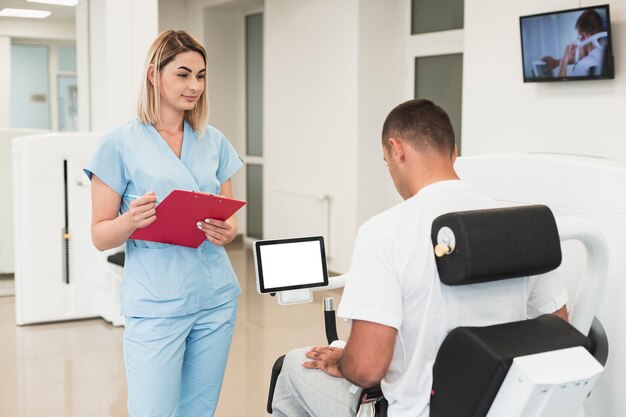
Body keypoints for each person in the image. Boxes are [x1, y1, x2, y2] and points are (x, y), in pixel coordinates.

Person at [271, 99, 568, 417]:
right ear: (453, 152)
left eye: (386, 162)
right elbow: (558, 326)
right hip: (504, 405)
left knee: (290, 370)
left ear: (395, 149)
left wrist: (341, 360)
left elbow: (367, 369)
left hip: (419, 411)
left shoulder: (384, 232)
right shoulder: (520, 224)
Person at [84, 30, 243, 417]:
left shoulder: (214, 141)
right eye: (184, 74)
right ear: (154, 74)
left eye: (201, 76)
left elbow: (230, 222)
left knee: (199, 410)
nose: (194, 86)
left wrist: (227, 231)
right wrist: (131, 220)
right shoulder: (119, 143)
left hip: (215, 299)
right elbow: (99, 236)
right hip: (156, 304)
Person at [542, 9, 606, 77]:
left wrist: (564, 60)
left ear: (585, 36)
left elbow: (562, 87)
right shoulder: (605, 58)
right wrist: (557, 62)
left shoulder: (582, 66)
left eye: (578, 38)